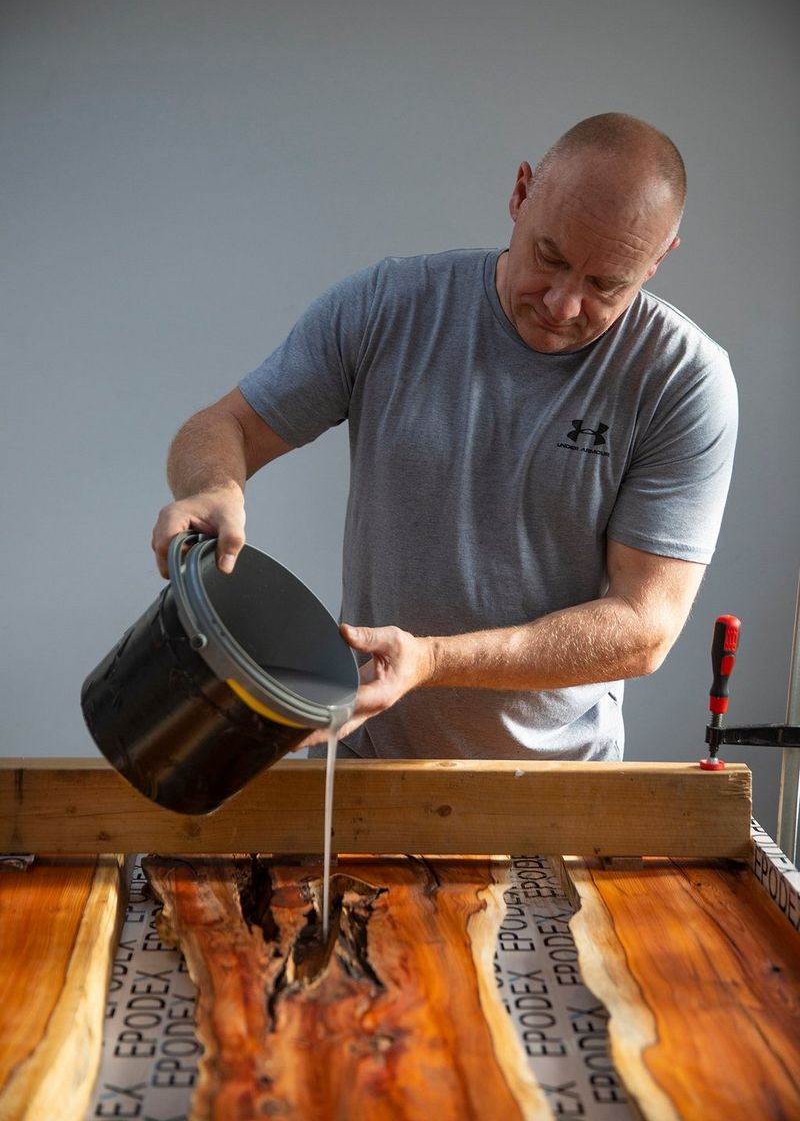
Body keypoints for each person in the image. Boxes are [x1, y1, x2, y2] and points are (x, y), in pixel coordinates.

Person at [152, 113, 737, 762]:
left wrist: (432, 660)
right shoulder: (388, 307)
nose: (564, 304)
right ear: (520, 193)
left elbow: (643, 628)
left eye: (607, 285)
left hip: (558, 784)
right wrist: (213, 487)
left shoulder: (682, 380)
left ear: (659, 258)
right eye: (551, 258)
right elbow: (225, 425)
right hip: (365, 763)